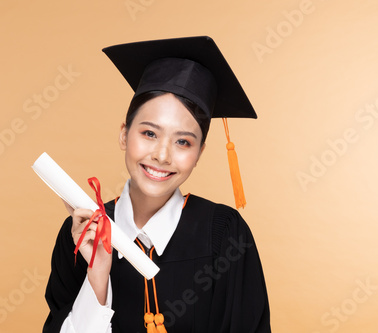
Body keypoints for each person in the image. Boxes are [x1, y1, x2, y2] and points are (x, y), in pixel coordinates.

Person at [43, 36, 271, 333]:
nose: (162, 155)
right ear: (124, 134)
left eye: (182, 142)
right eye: (149, 134)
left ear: (199, 153)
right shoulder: (82, 235)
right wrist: (97, 278)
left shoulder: (224, 234)